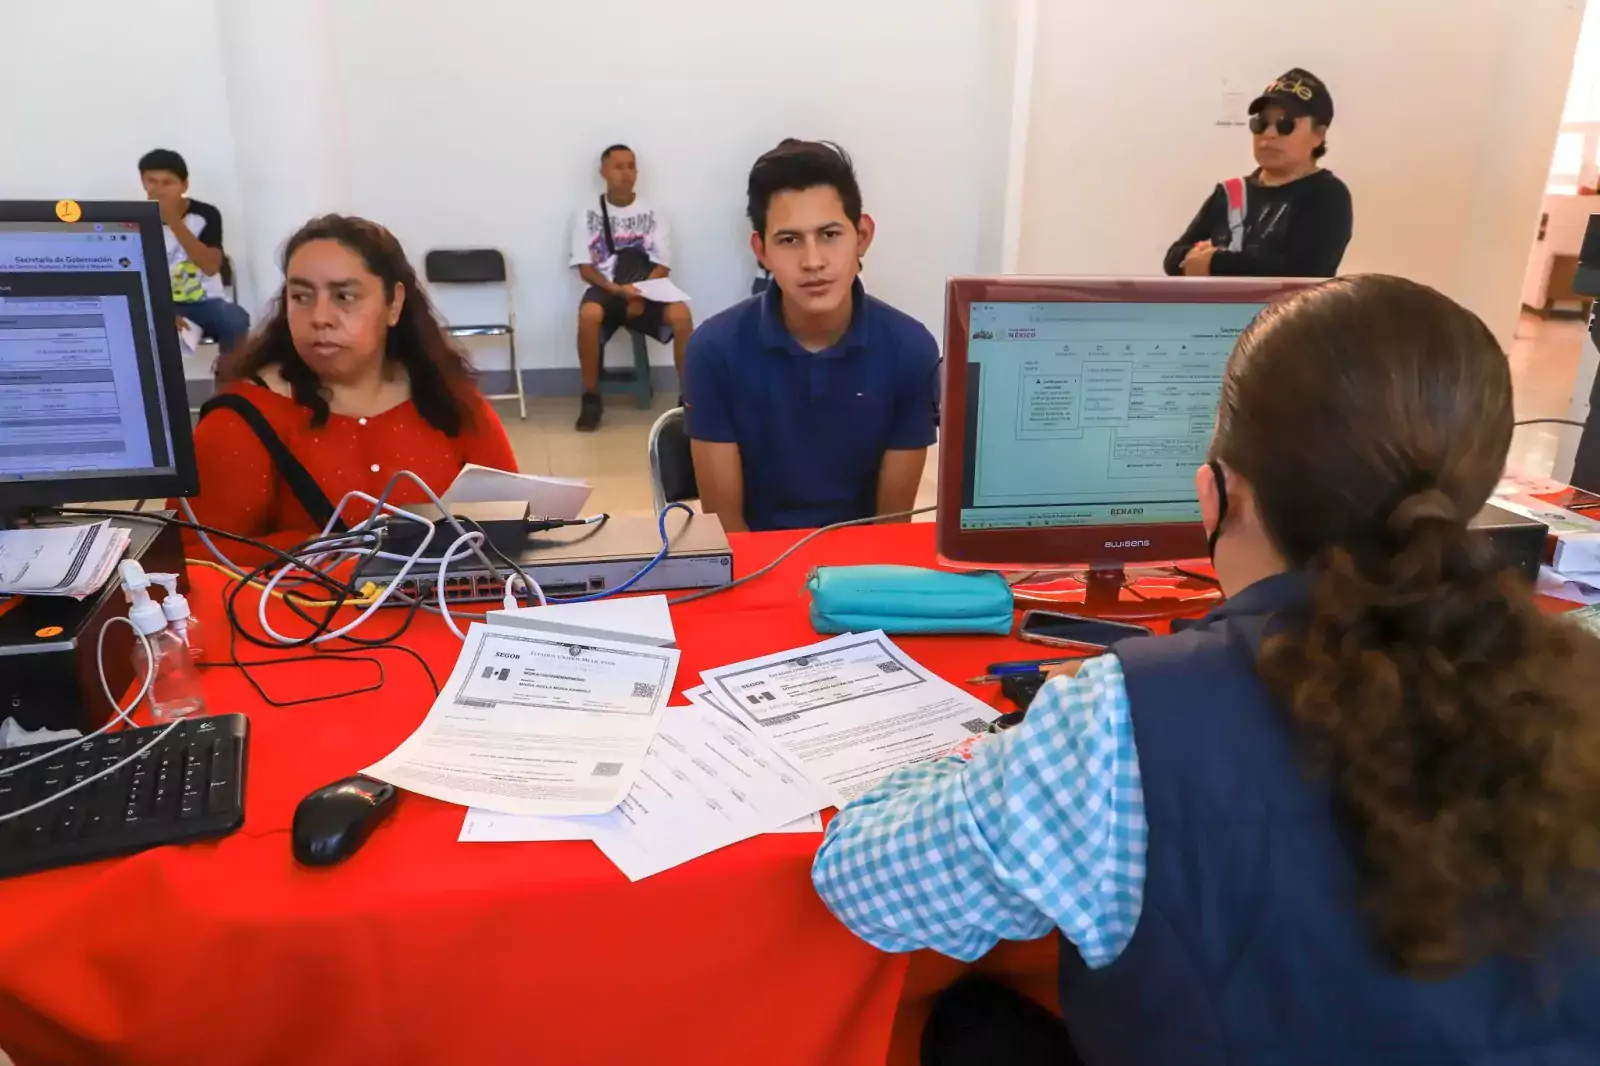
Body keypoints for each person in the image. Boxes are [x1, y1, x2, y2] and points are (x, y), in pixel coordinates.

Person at [813, 275, 1600, 1065]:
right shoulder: (1574, 680)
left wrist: (1013, 743)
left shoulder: (1130, 722)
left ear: (1219, 491)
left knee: (966, 1024)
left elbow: (862, 881)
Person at [182, 215, 516, 563]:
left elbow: (513, 521)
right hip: (296, 613)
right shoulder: (243, 418)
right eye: (301, 296)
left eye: (344, 296)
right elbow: (192, 555)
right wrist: (309, 549)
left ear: (394, 303)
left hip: (450, 612)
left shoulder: (446, 398)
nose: (320, 317)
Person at [684, 140, 939, 533]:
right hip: (756, 568)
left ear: (863, 236)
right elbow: (729, 532)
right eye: (789, 240)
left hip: (863, 575)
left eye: (830, 234)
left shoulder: (910, 350)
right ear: (761, 251)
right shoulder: (713, 350)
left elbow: (891, 527)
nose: (813, 261)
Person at [1163, 69, 1353, 278]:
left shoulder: (1327, 194)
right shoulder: (1231, 192)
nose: (1269, 134)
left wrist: (1212, 262)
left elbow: (1301, 271)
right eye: (1261, 123)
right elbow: (1174, 259)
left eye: (1284, 124)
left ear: (1319, 135)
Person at [569, 144, 693, 432]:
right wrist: (618, 292)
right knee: (588, 316)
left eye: (631, 166)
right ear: (603, 172)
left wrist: (640, 292)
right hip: (606, 288)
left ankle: (689, 399)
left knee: (682, 316)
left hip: (647, 286)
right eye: (618, 167)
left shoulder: (655, 212)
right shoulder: (587, 213)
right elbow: (585, 268)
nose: (626, 174)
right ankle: (590, 397)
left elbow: (663, 265)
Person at [138, 148, 252, 353]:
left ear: (184, 185)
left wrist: (172, 220)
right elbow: (138, 276)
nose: (158, 190)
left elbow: (210, 266)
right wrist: (162, 312)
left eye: (168, 182)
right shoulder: (136, 220)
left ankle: (228, 380)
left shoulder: (205, 214)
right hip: (162, 305)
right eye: (151, 181)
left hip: (206, 301)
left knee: (236, 320)